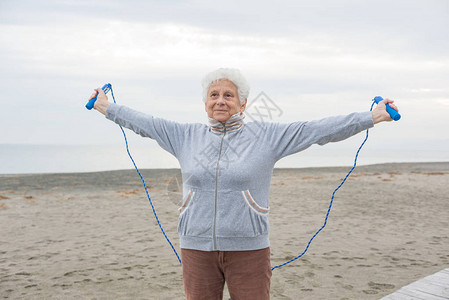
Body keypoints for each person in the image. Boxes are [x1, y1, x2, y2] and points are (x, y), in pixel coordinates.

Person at [88, 68, 398, 300]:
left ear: (243, 103)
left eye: (228, 95)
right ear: (205, 103)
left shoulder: (266, 137)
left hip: (248, 249)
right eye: (214, 95)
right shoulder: (184, 136)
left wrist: (373, 116)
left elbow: (317, 130)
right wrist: (105, 106)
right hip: (196, 248)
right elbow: (142, 122)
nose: (220, 101)